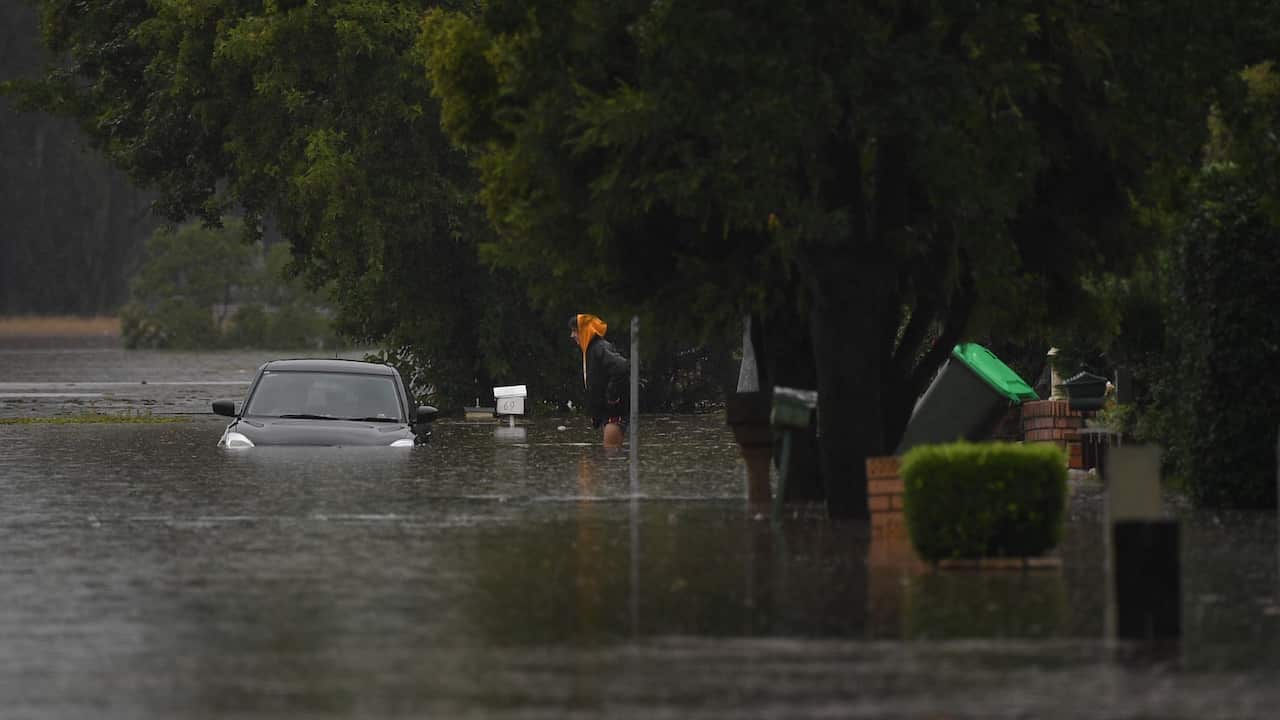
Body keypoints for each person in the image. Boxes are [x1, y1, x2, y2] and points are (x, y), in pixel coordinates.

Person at [570, 313, 629, 447]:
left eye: (575, 331)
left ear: (586, 331)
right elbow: (596, 386)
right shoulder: (591, 350)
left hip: (614, 414)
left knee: (611, 453)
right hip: (607, 413)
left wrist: (612, 397)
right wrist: (596, 413)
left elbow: (622, 367)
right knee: (609, 455)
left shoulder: (600, 348)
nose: (572, 335)